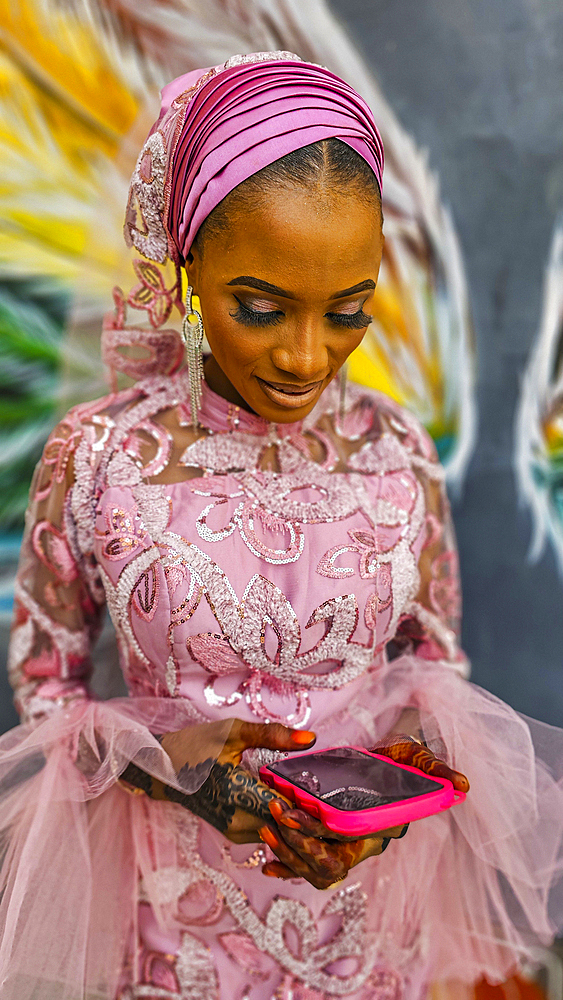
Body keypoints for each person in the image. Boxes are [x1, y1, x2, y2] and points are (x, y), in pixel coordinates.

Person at [2, 51, 562, 1000]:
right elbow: (45, 692)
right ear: (185, 264)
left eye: (347, 311)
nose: (308, 358)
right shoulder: (98, 458)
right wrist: (172, 768)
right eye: (259, 308)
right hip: (174, 915)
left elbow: (433, 660)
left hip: (368, 902)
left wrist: (403, 767)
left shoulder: (395, 451)